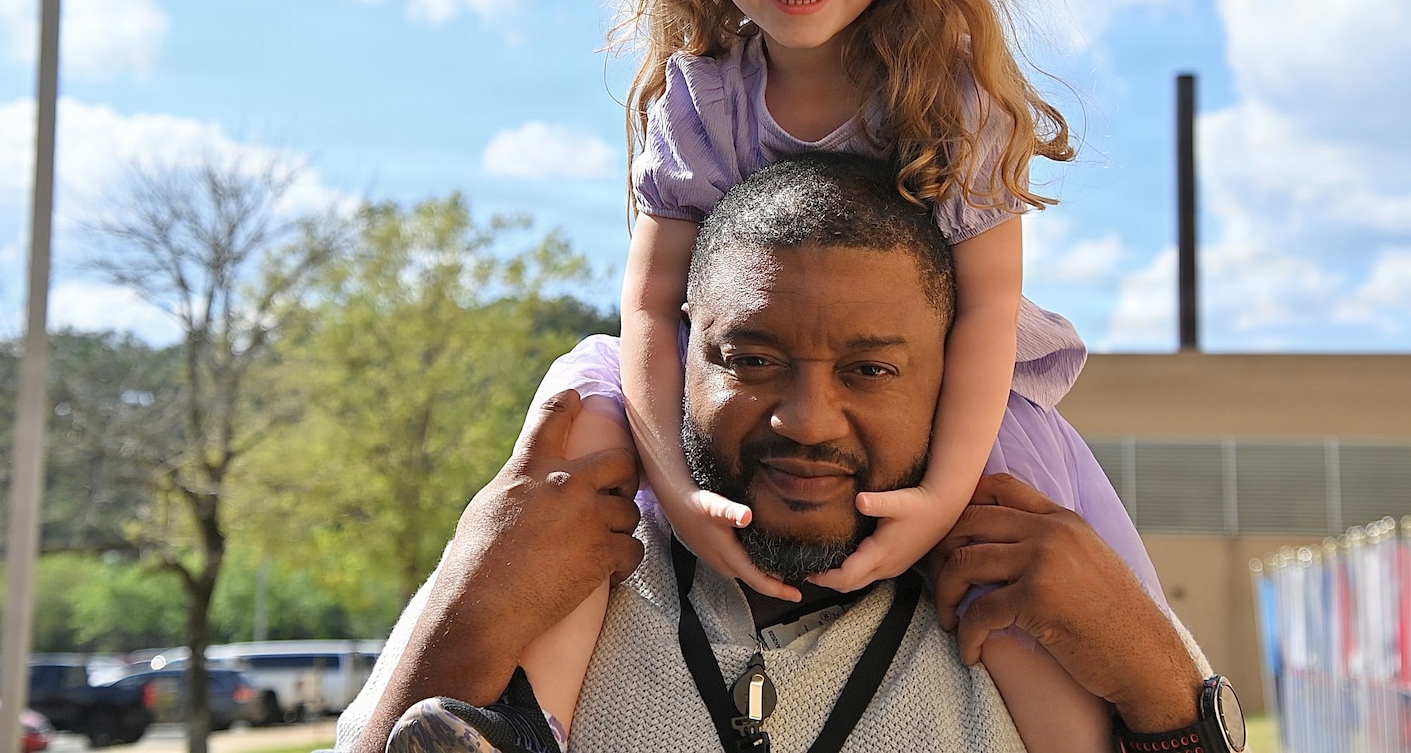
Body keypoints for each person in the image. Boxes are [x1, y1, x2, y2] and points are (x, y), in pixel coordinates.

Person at [512, 0, 1144, 752]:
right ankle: (513, 722)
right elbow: (650, 306)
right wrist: (670, 485)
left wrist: (939, 499)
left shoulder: (948, 93)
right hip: (736, 383)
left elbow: (984, 308)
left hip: (936, 390)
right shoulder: (702, 97)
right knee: (578, 415)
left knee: (1011, 541)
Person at [337, 155, 1233, 753]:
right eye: (752, 359)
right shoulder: (550, 556)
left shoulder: (1040, 601)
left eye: (871, 368)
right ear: (680, 349)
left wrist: (1154, 676)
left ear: (957, 371)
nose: (808, 420)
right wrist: (469, 614)